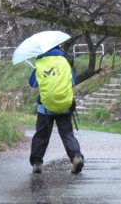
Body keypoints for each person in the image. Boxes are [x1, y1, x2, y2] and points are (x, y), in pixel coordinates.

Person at [28, 46, 84, 175]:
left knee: (41, 135)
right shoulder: (64, 62)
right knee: (67, 134)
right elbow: (73, 81)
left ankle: (37, 163)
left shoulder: (40, 63)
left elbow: (32, 83)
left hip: (45, 108)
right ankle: (76, 157)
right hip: (64, 105)